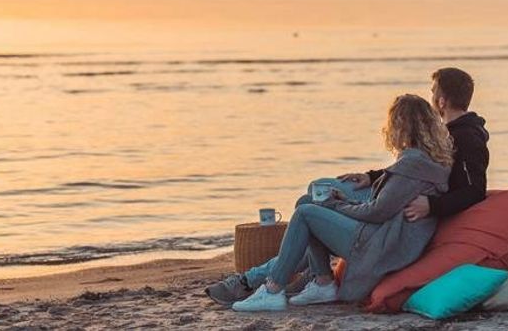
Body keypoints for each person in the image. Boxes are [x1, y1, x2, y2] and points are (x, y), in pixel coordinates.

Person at [206, 67, 489, 305]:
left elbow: (472, 190)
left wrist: (432, 205)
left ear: (440, 100)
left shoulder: (466, 138)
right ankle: (317, 276)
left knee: (312, 207)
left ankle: (262, 280)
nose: (430, 98)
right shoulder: (438, 135)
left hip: (404, 216)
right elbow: (409, 171)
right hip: (402, 193)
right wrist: (372, 176)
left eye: (432, 92)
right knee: (315, 190)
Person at [230, 94, 452, 311]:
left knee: (306, 212)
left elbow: (377, 212)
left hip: (379, 246)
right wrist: (346, 201)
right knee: (309, 201)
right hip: (386, 237)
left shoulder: (412, 165)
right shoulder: (426, 162)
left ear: (400, 126)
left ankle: (272, 290)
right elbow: (386, 205)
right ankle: (323, 283)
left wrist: (337, 206)